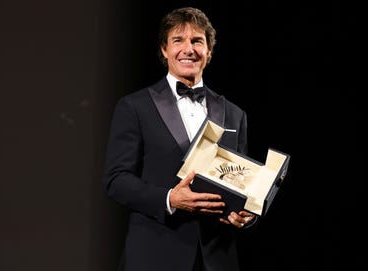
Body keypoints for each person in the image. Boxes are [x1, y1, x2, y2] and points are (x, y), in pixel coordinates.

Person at [102, 7, 257, 271]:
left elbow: (240, 187)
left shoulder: (235, 114)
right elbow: (116, 180)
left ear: (208, 51)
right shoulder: (135, 106)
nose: (189, 49)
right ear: (164, 50)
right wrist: (169, 198)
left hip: (217, 259)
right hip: (154, 256)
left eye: (197, 41)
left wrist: (246, 214)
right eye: (178, 40)